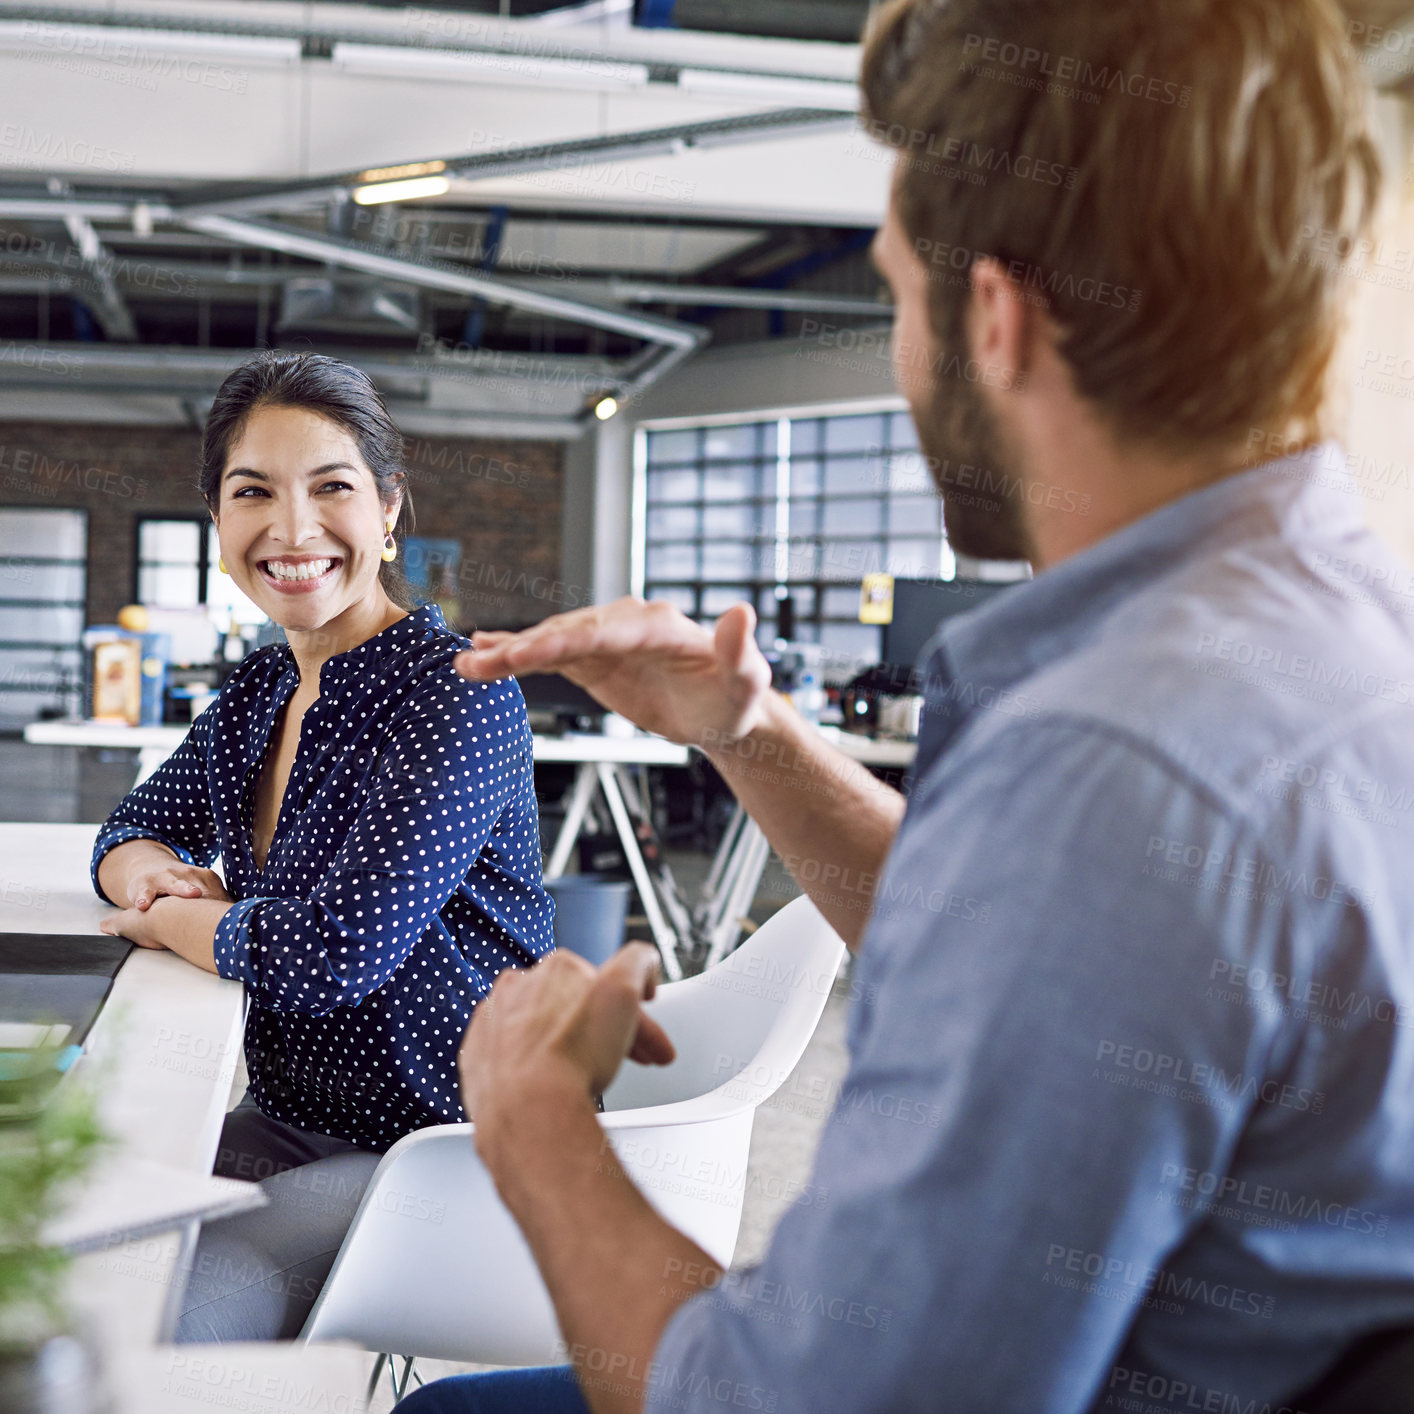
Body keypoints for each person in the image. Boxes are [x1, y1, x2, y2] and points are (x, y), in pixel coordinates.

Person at [400, 0, 1414, 1411]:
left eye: (894, 293)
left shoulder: (1115, 760)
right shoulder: (1335, 623)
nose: (898, 348)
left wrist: (530, 1120)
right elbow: (1047, 953)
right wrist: (748, 732)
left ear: (992, 317)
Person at [90, 350, 554, 1341]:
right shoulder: (260, 692)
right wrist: (147, 872)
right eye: (252, 491)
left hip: (444, 1146)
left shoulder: (456, 688)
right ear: (217, 518)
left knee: (148, 1314)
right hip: (289, 1124)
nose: (291, 529)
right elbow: (130, 827)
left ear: (389, 508)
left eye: (331, 487)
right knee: (69, 1245)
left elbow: (332, 952)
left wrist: (172, 915)